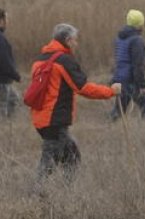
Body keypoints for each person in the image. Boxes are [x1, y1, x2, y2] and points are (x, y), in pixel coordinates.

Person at [30, 23, 120, 186]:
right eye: (75, 40)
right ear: (67, 40)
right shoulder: (64, 61)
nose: (76, 44)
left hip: (41, 118)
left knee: (71, 156)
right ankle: (38, 193)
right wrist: (110, 91)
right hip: (54, 119)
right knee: (51, 161)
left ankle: (65, 191)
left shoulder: (40, 59)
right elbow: (83, 88)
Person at [109, 9, 145, 120]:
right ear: (140, 24)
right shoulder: (137, 40)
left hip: (119, 78)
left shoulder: (119, 38)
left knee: (119, 109)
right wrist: (142, 86)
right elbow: (138, 65)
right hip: (131, 80)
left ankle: (111, 124)